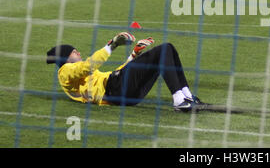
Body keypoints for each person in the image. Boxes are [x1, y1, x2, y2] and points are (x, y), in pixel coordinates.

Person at [46, 32, 208, 111]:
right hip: (116, 89)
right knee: (164, 49)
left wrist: (134, 55)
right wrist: (111, 45)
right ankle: (179, 101)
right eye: (74, 52)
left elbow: (113, 74)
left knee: (168, 49)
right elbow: (89, 65)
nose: (78, 53)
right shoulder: (65, 72)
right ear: (65, 57)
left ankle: (186, 96)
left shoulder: (78, 76)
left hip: (122, 92)